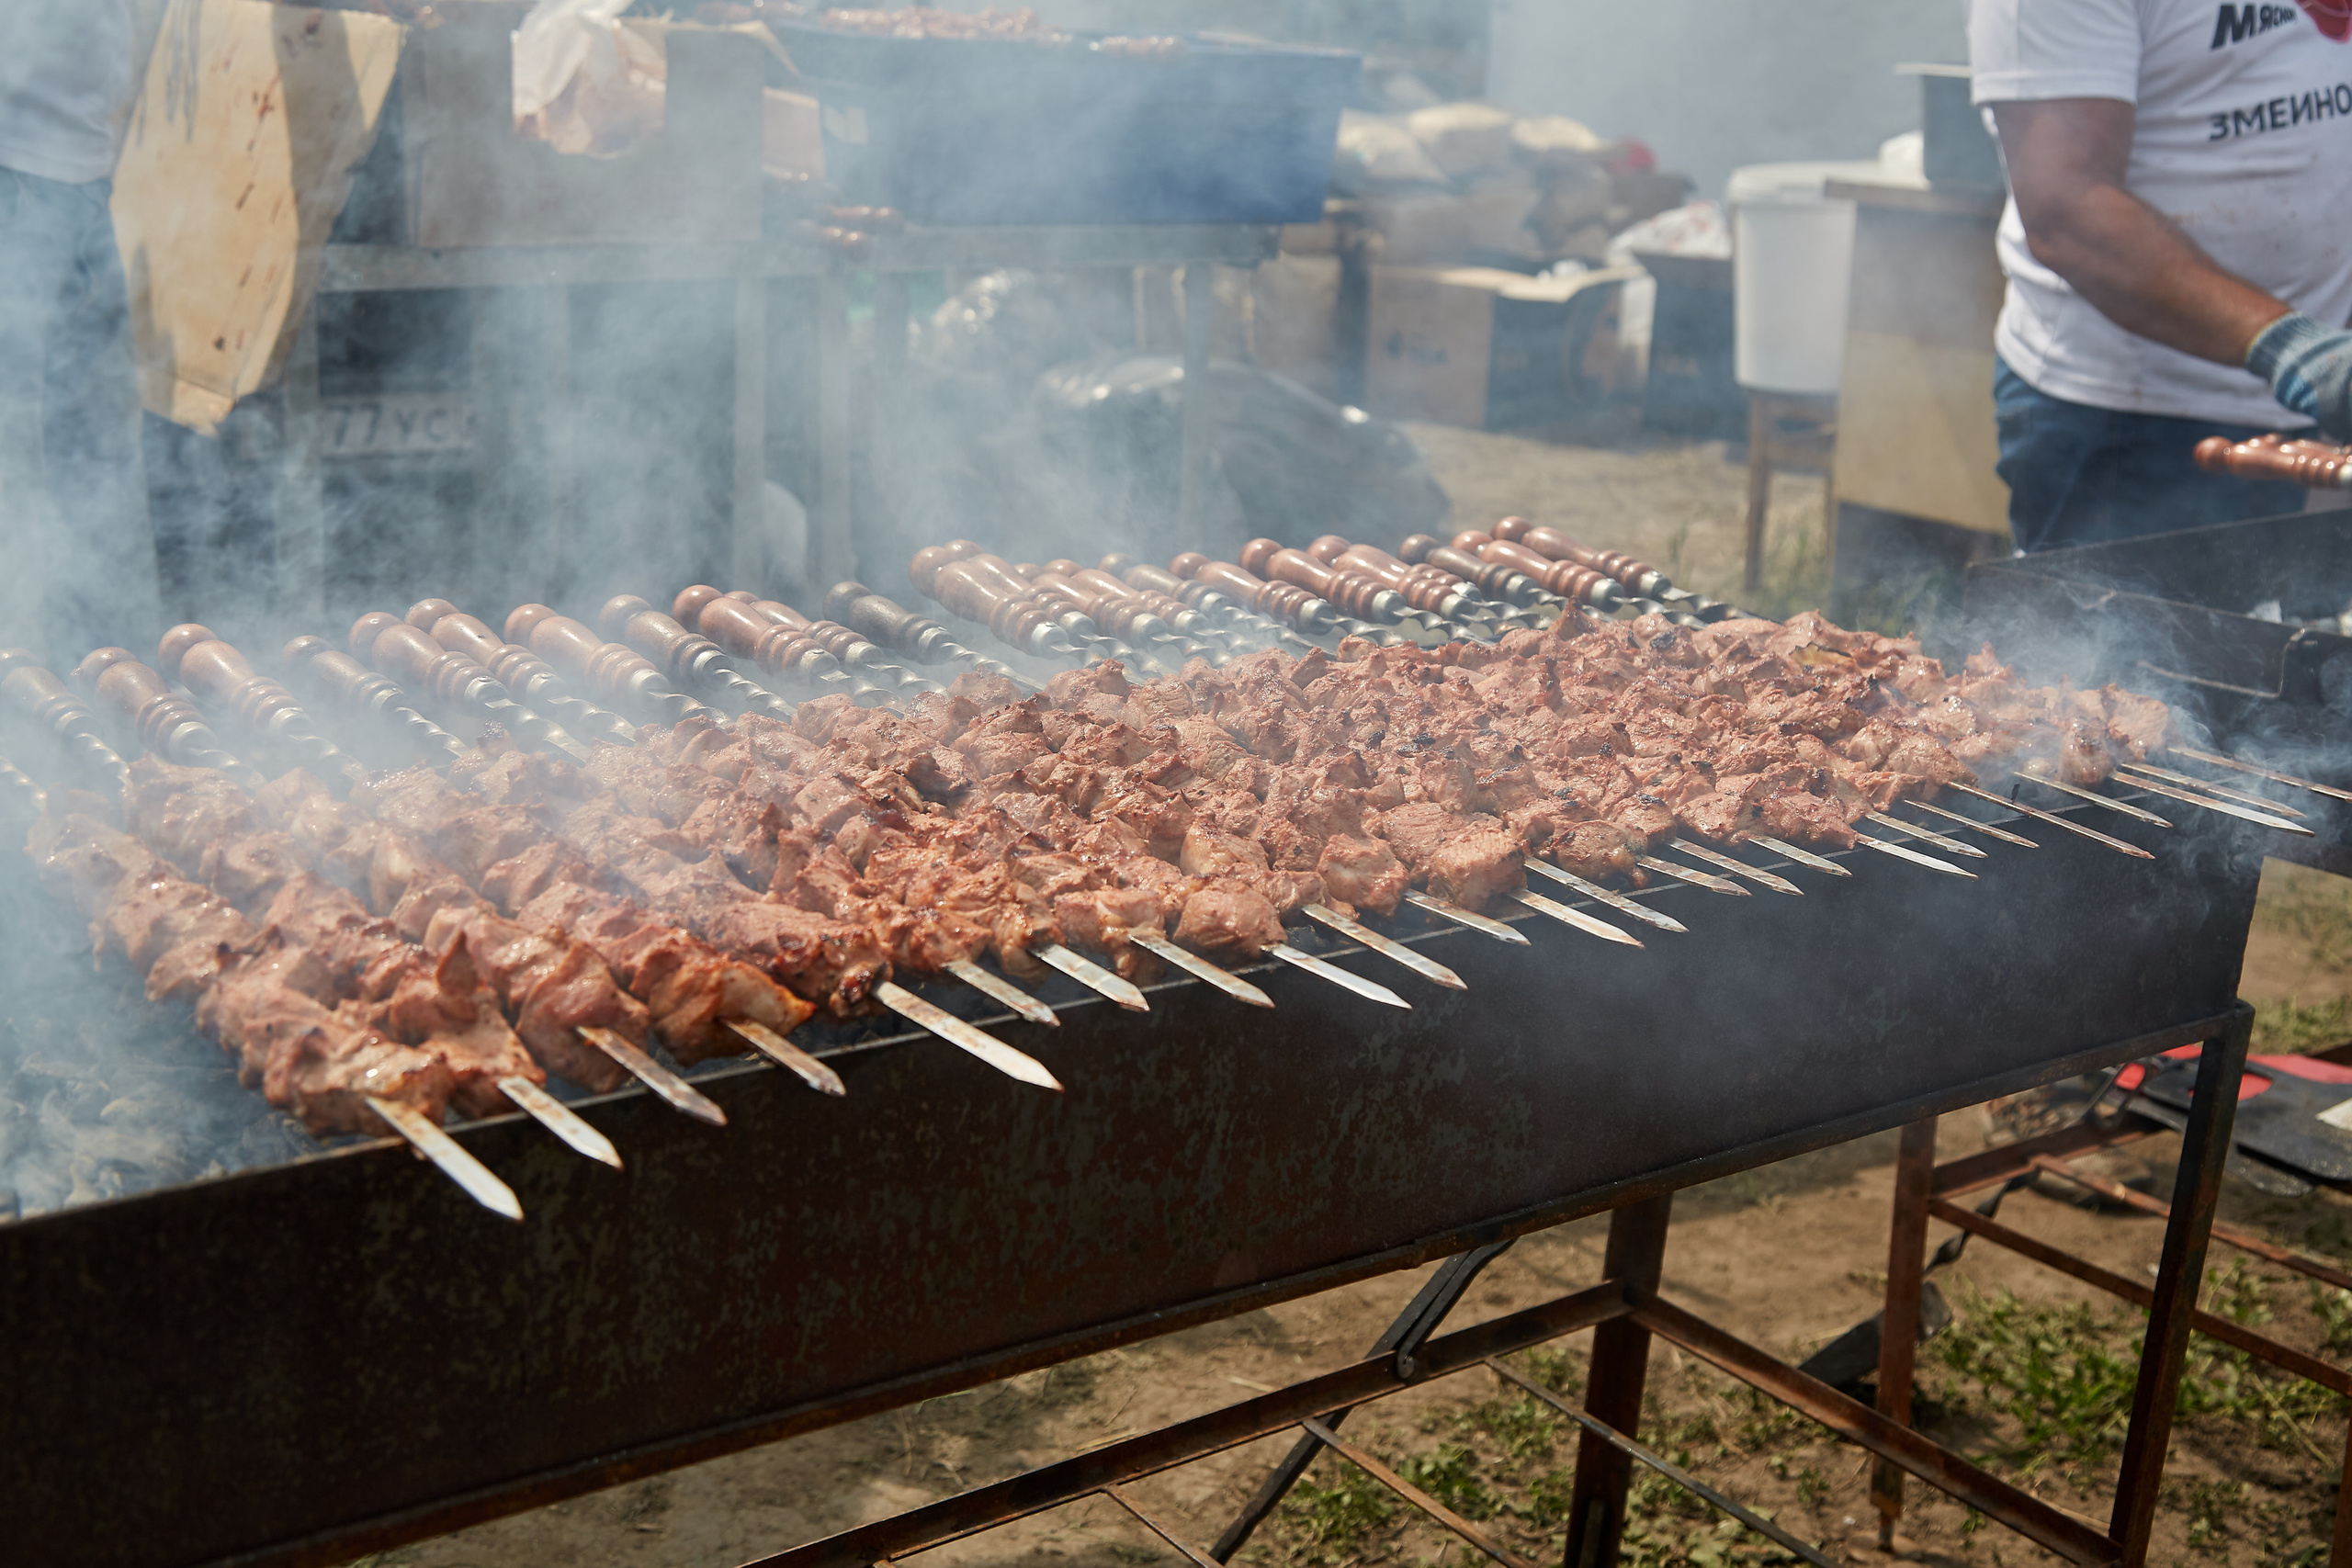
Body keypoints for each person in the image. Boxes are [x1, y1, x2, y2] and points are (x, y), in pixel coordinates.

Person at [1968, 0, 2352, 552]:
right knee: (2125, 637)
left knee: (2290, 628)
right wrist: (2296, 349)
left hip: (2312, 393)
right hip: (2128, 419)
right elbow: (2066, 210)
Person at [0, 0, 162, 661]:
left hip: (84, 180)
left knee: (97, 452)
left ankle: (97, 676)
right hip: (16, 174)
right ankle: (21, 687)